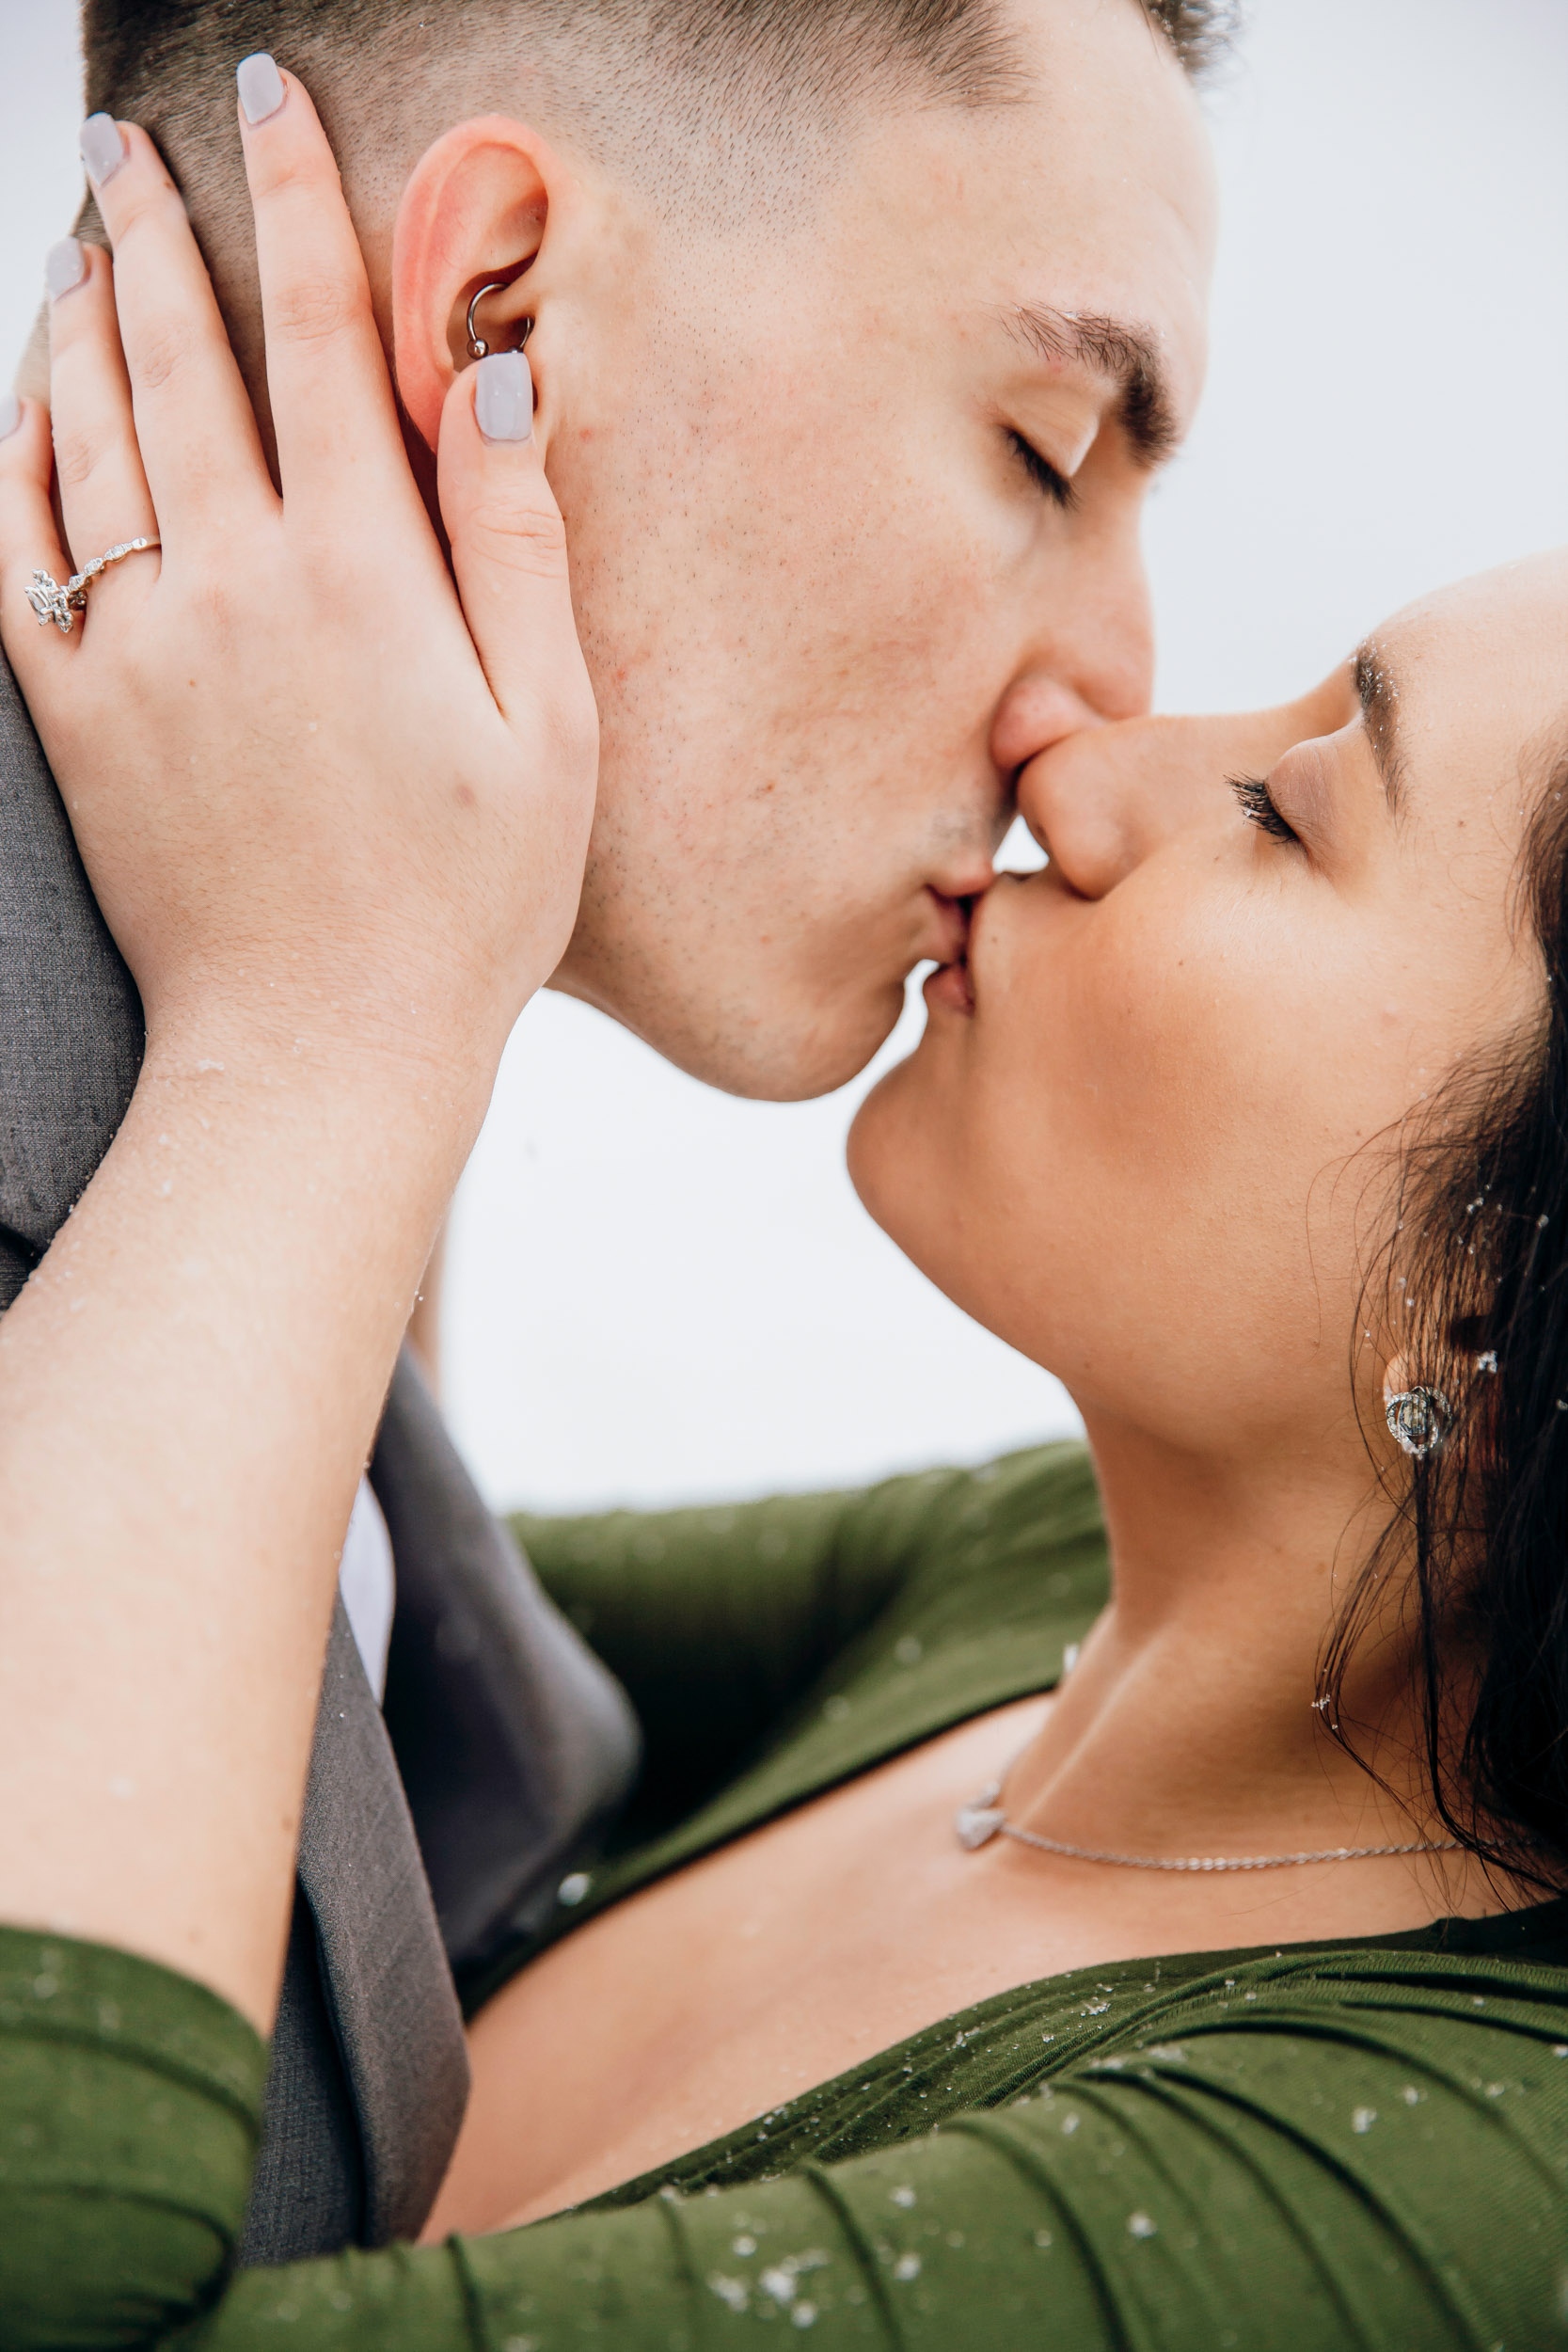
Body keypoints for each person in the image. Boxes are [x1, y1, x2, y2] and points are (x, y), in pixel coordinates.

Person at [4, 62, 1568, 2352]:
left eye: (1298, 808)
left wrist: (326, 1024)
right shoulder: (1081, 1597)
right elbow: (270, 1580)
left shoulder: (1435, 2193)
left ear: (1511, 1306)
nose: (1106, 742)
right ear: (496, 302)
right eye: (1042, 451)